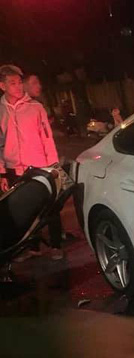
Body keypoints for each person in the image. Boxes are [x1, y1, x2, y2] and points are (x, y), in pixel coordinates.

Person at [0, 65, 63, 260]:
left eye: (19, 82)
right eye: (12, 83)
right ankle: (32, 247)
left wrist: (53, 165)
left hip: (39, 166)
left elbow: (47, 138)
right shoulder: (0, 111)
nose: (18, 87)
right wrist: (2, 172)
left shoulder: (35, 107)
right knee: (23, 211)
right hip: (13, 169)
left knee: (50, 207)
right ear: (2, 86)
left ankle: (56, 245)